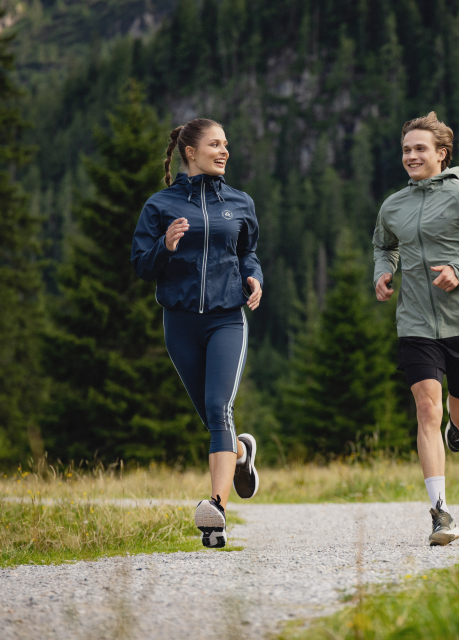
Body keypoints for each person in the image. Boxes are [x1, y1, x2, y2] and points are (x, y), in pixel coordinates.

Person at [373, 112, 459, 546]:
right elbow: (384, 244)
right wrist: (383, 271)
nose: (411, 156)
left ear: (442, 154)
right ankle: (440, 513)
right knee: (426, 409)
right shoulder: (393, 205)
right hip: (415, 322)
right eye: (406, 150)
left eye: (420, 149)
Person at [132, 118, 263, 549]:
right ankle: (240, 453)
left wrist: (255, 278)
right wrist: (165, 247)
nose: (224, 151)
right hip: (180, 322)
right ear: (191, 152)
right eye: (215, 144)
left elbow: (248, 253)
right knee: (211, 416)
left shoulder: (239, 202)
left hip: (227, 318)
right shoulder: (160, 205)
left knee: (218, 408)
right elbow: (140, 265)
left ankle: (216, 510)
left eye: (226, 144)